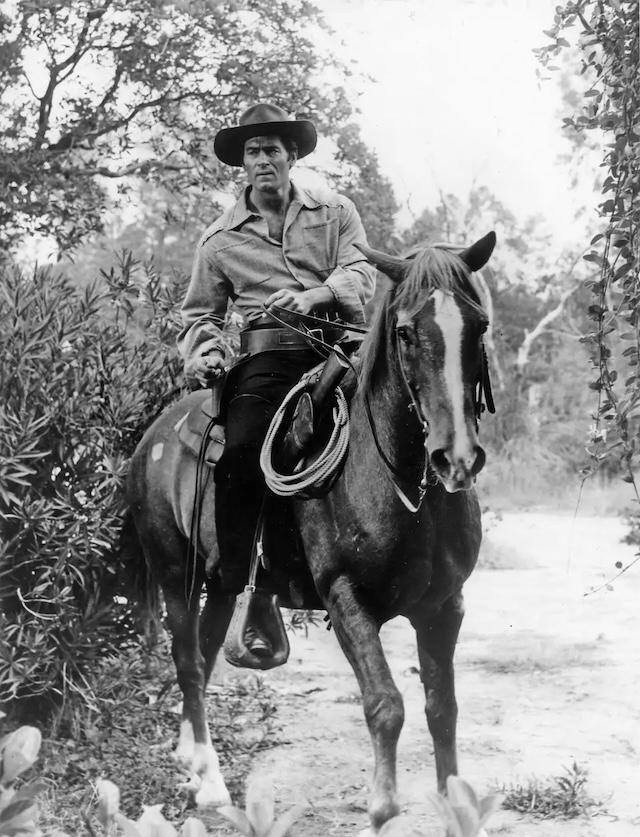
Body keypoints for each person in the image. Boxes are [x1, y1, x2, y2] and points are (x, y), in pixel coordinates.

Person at [177, 103, 376, 655]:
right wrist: (205, 354)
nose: (263, 160)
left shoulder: (335, 211)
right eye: (253, 152)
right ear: (242, 164)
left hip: (343, 347)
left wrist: (315, 294)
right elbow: (201, 316)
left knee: (408, 413)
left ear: (292, 156)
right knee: (241, 454)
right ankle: (243, 587)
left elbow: (361, 270)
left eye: (272, 149)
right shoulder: (219, 240)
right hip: (269, 359)